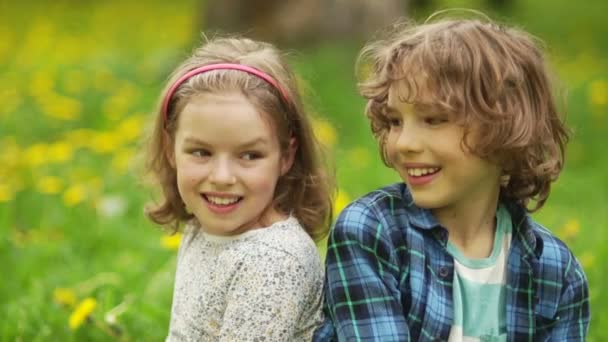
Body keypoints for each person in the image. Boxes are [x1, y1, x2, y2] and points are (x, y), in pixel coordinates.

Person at [316, 12, 590, 341]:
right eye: (394, 122)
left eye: (433, 119)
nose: (403, 144)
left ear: (506, 132)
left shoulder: (557, 272)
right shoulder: (371, 233)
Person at [144, 36, 333, 341]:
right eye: (201, 152)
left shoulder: (274, 261)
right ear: (170, 150)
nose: (221, 177)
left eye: (249, 155)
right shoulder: (202, 225)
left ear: (286, 156)